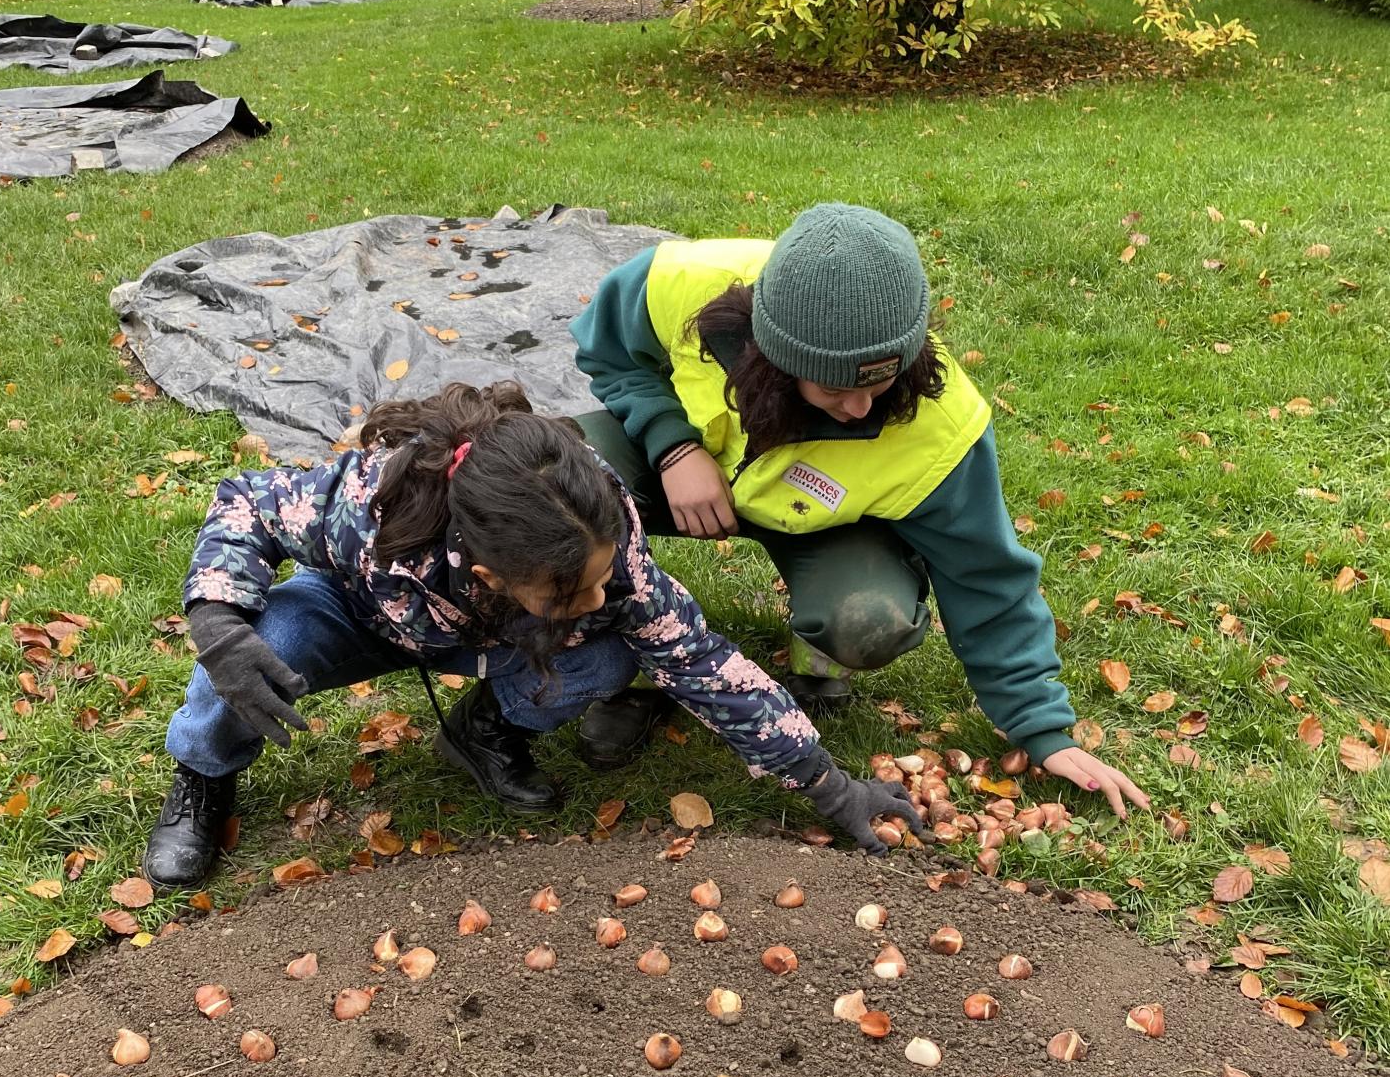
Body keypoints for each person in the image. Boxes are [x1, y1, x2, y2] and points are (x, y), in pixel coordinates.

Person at [142, 380, 926, 887]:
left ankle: (484, 730)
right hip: (358, 610)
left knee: (615, 649)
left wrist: (829, 784)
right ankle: (204, 779)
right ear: (490, 574)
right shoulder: (365, 509)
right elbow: (245, 501)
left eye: (600, 574)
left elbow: (706, 666)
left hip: (493, 634)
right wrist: (218, 620)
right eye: (573, 589)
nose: (599, 595)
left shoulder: (599, 531)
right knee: (245, 656)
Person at [570, 201, 1148, 818]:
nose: (862, 409)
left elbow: (986, 575)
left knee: (870, 619)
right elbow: (608, 352)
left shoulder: (943, 427)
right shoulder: (687, 281)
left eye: (878, 384)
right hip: (683, 471)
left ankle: (817, 658)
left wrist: (1040, 726)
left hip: (822, 522)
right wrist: (671, 443)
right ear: (777, 359)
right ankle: (632, 658)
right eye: (836, 391)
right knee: (561, 486)